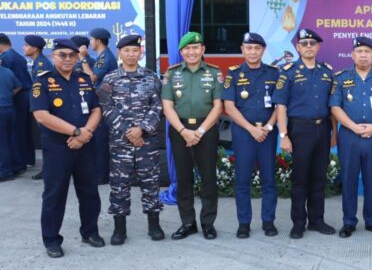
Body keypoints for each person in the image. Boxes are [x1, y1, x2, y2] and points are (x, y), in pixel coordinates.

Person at [30, 38, 105, 258]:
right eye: (62, 55)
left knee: (90, 192)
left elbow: (96, 109)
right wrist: (76, 132)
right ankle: (51, 240)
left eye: (72, 55)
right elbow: (41, 116)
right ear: (53, 56)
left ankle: (90, 232)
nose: (68, 59)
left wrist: (85, 134)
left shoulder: (84, 79)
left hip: (85, 146)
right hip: (57, 148)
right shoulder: (42, 82)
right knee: (55, 195)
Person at [97, 34, 165, 245]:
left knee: (150, 182)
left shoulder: (151, 77)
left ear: (140, 52)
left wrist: (141, 130)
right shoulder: (110, 79)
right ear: (120, 53)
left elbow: (158, 106)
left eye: (135, 50)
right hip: (120, 143)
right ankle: (120, 229)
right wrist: (130, 132)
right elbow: (106, 108)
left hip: (147, 142)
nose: (131, 54)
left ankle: (154, 225)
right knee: (119, 185)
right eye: (127, 51)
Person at [330, 36, 372, 238]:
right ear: (352, 55)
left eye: (367, 52)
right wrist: (353, 127)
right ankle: (349, 222)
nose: (363, 55)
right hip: (349, 137)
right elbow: (335, 107)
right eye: (359, 51)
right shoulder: (341, 78)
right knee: (348, 180)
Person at [273, 28, 337, 239]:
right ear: (298, 48)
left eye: (312, 43)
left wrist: (334, 133)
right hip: (299, 129)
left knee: (319, 177)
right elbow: (281, 106)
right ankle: (298, 223)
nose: (309, 47)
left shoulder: (327, 72)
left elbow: (333, 107)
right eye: (304, 44)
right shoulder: (288, 72)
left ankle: (317, 220)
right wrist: (284, 135)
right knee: (300, 179)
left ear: (318, 47)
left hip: (323, 128)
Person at [161, 32, 224, 240]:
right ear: (181, 52)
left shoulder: (214, 73)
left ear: (202, 50)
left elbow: (218, 106)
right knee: (183, 178)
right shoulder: (171, 74)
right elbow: (167, 107)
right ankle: (188, 223)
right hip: (180, 129)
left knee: (208, 178)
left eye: (196, 47)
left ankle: (208, 223)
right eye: (187, 48)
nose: (191, 52)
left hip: (206, 129)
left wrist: (200, 131)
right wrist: (184, 131)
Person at [222, 32, 280, 239]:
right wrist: (251, 129)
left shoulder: (274, 73)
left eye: (257, 48)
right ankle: (244, 223)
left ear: (263, 50)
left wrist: (269, 126)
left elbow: (279, 105)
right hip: (244, 134)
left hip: (267, 133)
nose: (253, 52)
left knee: (268, 179)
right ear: (242, 50)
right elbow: (229, 107)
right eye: (249, 48)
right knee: (243, 180)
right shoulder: (233, 74)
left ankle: (268, 221)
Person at [80, 28, 117, 185]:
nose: (90, 43)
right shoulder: (103, 56)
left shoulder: (105, 57)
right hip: (102, 101)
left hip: (104, 103)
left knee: (101, 140)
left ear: (98, 41)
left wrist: (83, 59)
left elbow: (92, 77)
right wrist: (87, 58)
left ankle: (101, 175)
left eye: (92, 39)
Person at [0, 33, 34, 174]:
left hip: (15, 99)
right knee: (23, 130)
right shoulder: (17, 55)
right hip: (24, 95)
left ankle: (17, 164)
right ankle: (27, 159)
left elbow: (9, 83)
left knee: (15, 133)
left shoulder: (6, 58)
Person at [23, 35, 53, 180]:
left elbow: (42, 89)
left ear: (35, 48)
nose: (24, 47)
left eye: (26, 45)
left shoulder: (42, 64)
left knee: (47, 140)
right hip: (42, 107)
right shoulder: (38, 62)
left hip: (44, 108)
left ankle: (48, 170)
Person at [0, 64, 21, 181]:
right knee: (11, 139)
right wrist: (7, 95)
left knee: (2, 143)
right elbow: (19, 86)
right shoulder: (8, 72)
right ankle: (16, 166)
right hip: (9, 108)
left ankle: (4, 172)